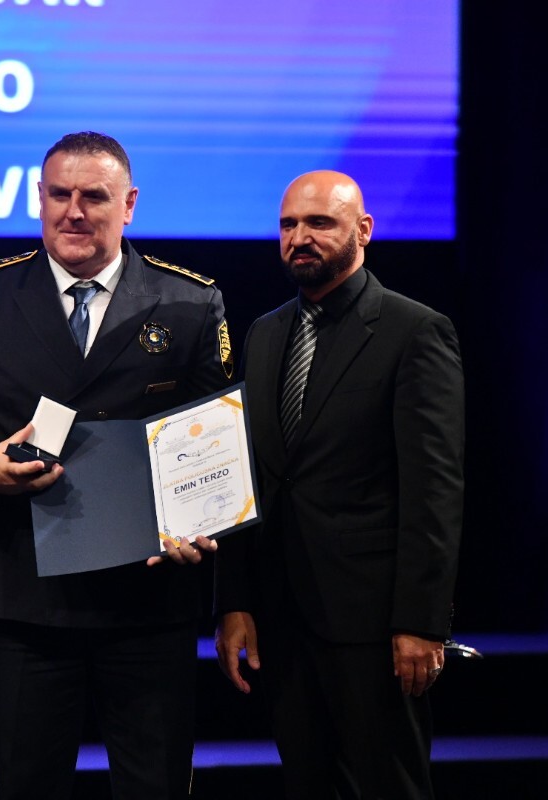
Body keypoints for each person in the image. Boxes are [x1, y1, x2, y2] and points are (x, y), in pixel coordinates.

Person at [0, 131, 234, 799]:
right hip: (25, 596)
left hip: (150, 600)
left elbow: (219, 445)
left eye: (95, 196)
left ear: (129, 205)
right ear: (39, 199)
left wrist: (201, 520)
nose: (75, 211)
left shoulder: (191, 303)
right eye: (59, 195)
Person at [214, 170, 464, 798]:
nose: (300, 237)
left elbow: (434, 491)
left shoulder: (416, 332)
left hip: (376, 627)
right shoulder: (266, 333)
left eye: (319, 223)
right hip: (283, 621)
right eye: (289, 225)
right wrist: (235, 601)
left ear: (364, 230)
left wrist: (421, 621)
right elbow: (251, 477)